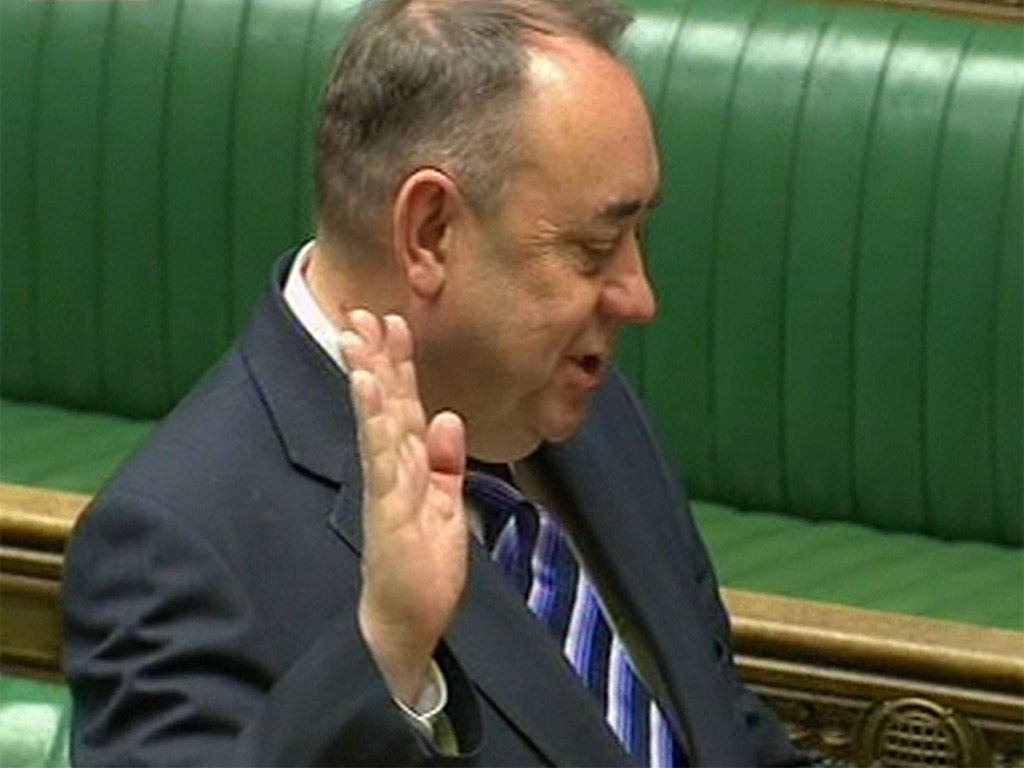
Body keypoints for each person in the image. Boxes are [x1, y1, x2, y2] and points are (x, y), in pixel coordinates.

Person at [63, 0, 810, 765]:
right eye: (594, 248)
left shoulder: (581, 404)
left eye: (638, 236)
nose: (639, 296)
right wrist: (385, 654)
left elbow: (728, 735)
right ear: (429, 232)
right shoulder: (175, 545)